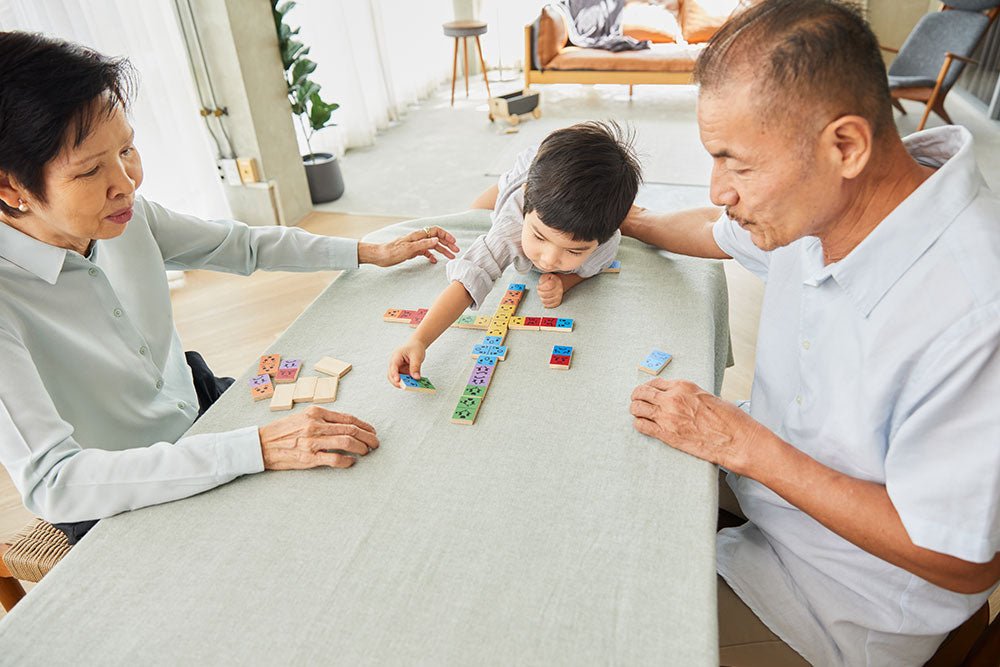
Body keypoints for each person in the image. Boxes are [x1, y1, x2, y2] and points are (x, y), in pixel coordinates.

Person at [623, 1, 1000, 665]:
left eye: (737, 164)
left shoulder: (974, 306)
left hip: (834, 611)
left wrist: (742, 444)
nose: (720, 190)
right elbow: (713, 234)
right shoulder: (829, 204)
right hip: (769, 511)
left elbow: (963, 562)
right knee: (605, 488)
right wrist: (621, 221)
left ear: (845, 145)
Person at [0, 32, 459, 543]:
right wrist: (258, 448)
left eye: (127, 149)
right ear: (9, 188)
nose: (127, 183)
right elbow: (54, 482)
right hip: (120, 488)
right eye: (89, 171)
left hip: (200, 407)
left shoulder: (128, 214)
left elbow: (241, 246)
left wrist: (367, 252)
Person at [387, 121, 640, 386]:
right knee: (476, 212)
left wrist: (566, 281)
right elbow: (471, 277)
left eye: (574, 250)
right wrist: (419, 340)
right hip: (519, 180)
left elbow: (593, 268)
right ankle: (511, 191)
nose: (549, 260)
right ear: (525, 208)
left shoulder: (606, 243)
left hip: (552, 188)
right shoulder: (512, 223)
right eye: (539, 237)